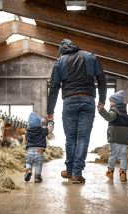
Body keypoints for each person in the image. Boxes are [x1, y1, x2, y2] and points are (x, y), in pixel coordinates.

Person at [46, 39, 107, 184]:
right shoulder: (90, 57)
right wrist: (102, 100)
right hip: (87, 101)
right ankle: (76, 173)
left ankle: (70, 170)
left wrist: (50, 111)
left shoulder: (60, 62)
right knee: (83, 138)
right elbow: (102, 79)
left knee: (71, 138)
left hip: (69, 102)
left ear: (62, 50)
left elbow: (54, 87)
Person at [98, 90, 128, 182]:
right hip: (124, 138)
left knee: (113, 155)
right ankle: (123, 174)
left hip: (115, 136)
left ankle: (110, 172)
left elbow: (109, 117)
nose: (110, 103)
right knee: (123, 156)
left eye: (111, 101)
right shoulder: (126, 115)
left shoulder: (114, 110)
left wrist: (101, 110)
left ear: (116, 102)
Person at [24, 112, 53, 183]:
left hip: (29, 151)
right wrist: (50, 122)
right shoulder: (43, 130)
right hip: (39, 151)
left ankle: (29, 170)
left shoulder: (28, 132)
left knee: (28, 163)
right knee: (38, 165)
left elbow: (26, 140)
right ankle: (37, 177)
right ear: (39, 123)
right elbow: (50, 129)